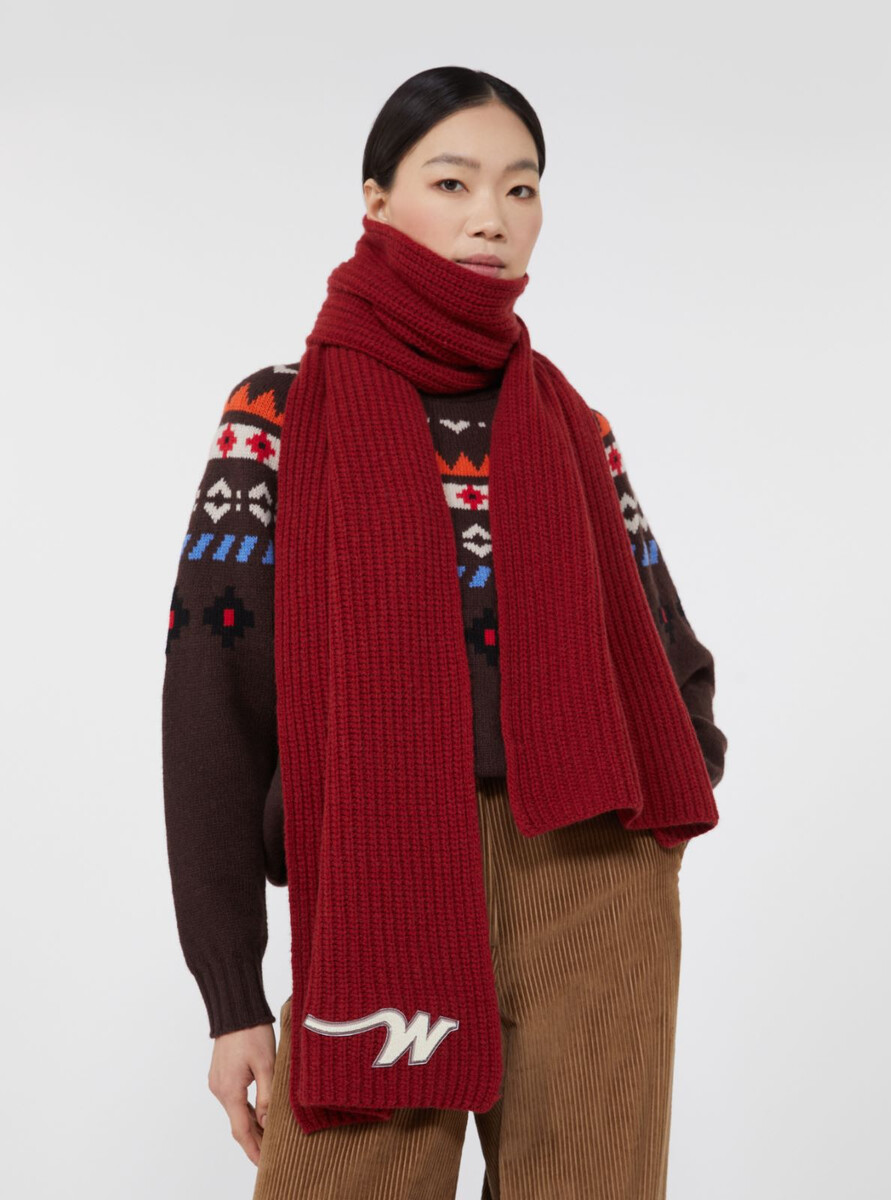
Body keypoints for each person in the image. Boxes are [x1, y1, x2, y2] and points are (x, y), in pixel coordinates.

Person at [161, 64, 727, 1200]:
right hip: (379, 870)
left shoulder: (570, 425)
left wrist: (663, 820)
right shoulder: (280, 415)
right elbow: (211, 698)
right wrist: (232, 997)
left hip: (590, 875)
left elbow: (669, 650)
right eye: (454, 181)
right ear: (378, 200)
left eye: (521, 188)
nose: (490, 218)